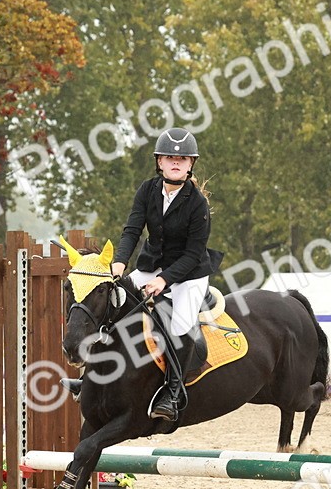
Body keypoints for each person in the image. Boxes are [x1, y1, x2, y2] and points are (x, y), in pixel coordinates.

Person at [66, 127, 219, 420]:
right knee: (112, 304)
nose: (176, 162)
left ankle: (173, 393)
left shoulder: (197, 204)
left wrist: (164, 280)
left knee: (180, 324)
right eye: (169, 157)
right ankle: (87, 379)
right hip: (150, 268)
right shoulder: (147, 190)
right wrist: (120, 263)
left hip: (189, 274)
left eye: (183, 159)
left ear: (191, 165)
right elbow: (132, 230)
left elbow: (192, 253)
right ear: (159, 162)